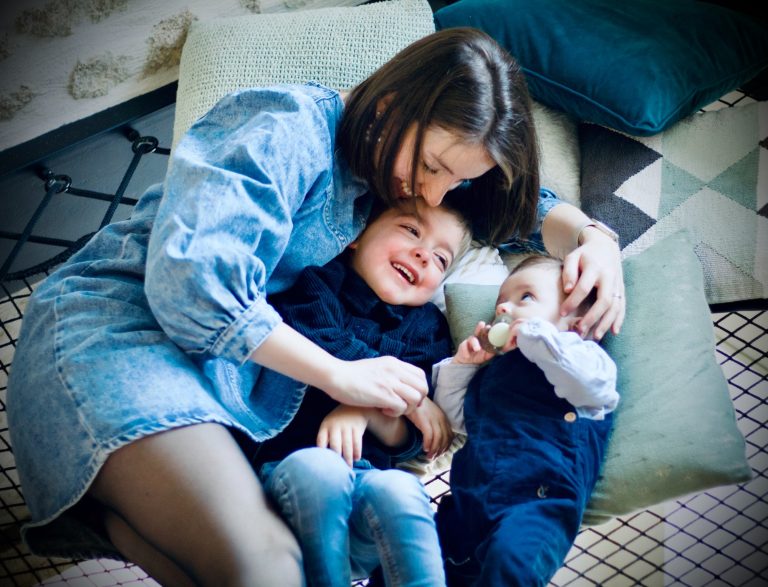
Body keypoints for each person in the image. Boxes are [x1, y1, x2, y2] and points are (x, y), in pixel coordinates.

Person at [6, 27, 625, 587]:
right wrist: (342, 377)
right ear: (388, 107)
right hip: (122, 332)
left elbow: (517, 210)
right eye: (431, 167)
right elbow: (192, 287)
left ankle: (118, 511)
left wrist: (594, 239)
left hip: (224, 379)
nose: (436, 193)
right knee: (269, 567)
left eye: (456, 181)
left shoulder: (404, 181)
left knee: (264, 567)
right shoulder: (288, 127)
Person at [253, 196, 469, 586]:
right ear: (356, 235)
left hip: (367, 504)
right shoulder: (318, 281)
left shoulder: (428, 328)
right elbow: (316, 337)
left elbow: (418, 436)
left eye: (441, 259)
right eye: (411, 230)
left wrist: (364, 410)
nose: (424, 255)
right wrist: (399, 397)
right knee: (321, 469)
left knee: (402, 488)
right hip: (285, 485)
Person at [431, 255, 620, 586]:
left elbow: (591, 385)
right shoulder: (492, 375)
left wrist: (535, 334)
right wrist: (462, 366)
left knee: (510, 564)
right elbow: (455, 419)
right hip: (466, 505)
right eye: (501, 304)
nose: (504, 309)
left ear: (577, 321)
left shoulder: (585, 359)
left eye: (526, 297)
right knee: (410, 551)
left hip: (537, 505)